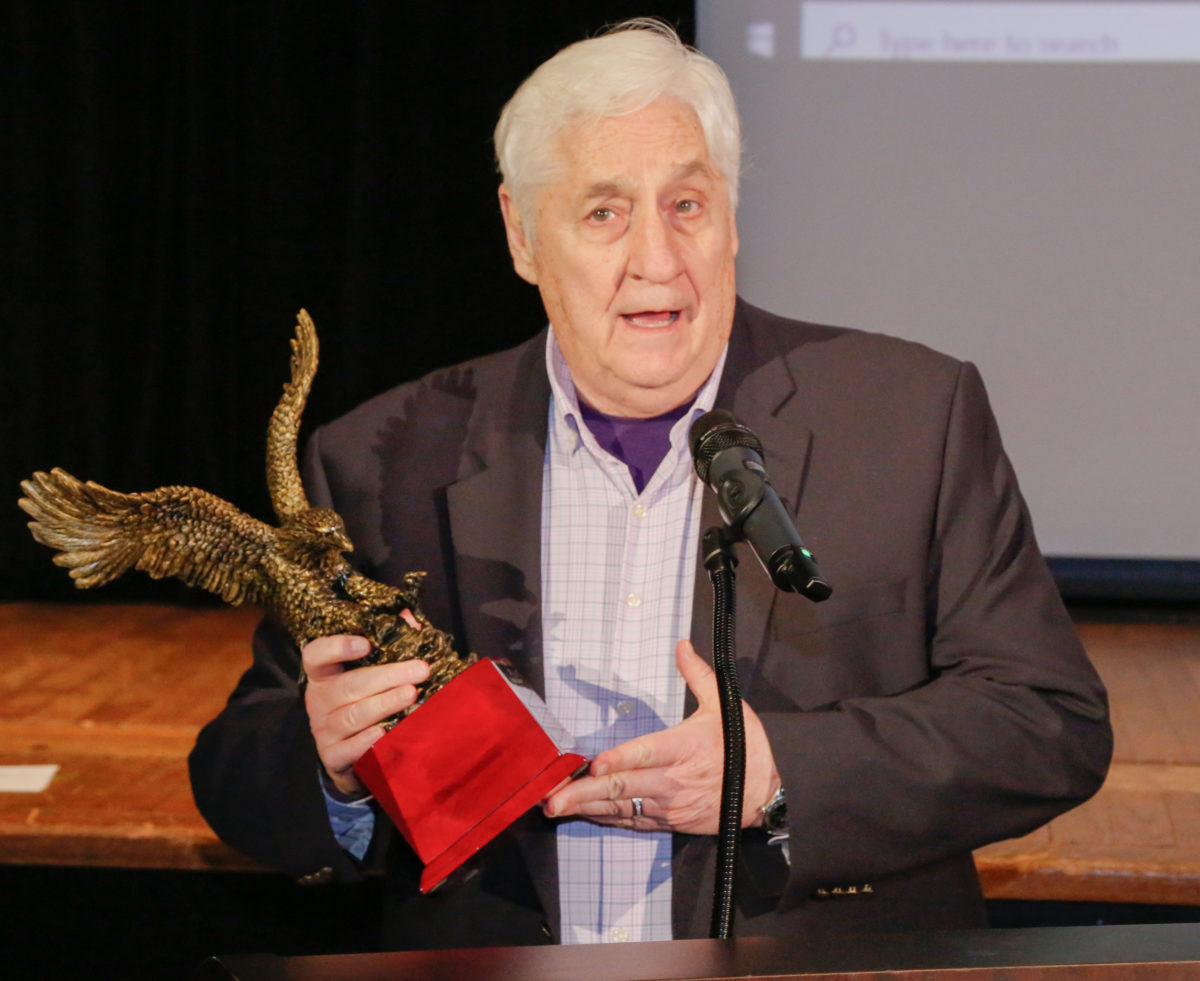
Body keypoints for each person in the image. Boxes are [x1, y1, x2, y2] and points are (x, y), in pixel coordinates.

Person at [189, 20, 1111, 949]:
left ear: (733, 216)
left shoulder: (912, 419)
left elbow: (1047, 722)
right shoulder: (385, 454)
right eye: (603, 212)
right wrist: (329, 763)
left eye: (687, 204)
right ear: (521, 234)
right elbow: (240, 767)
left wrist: (776, 771)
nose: (657, 260)